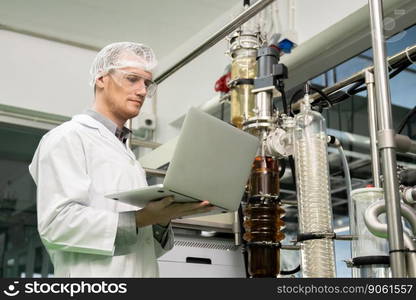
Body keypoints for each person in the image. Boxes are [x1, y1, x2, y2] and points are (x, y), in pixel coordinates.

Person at [29, 42, 213, 277]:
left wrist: (162, 218)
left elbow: (142, 247)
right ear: (101, 79)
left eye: (147, 83)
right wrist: (142, 217)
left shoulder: (126, 155)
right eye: (132, 79)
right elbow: (57, 225)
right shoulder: (66, 138)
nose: (143, 91)